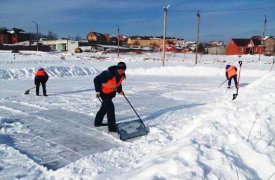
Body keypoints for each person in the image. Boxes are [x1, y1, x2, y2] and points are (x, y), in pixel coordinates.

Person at [94, 62, 126, 132]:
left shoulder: (122, 75)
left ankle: (97, 122)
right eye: (120, 69)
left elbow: (118, 83)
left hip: (110, 93)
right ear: (117, 69)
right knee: (110, 108)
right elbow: (96, 80)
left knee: (105, 108)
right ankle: (112, 127)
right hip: (103, 93)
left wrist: (119, 90)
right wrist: (97, 91)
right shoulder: (108, 73)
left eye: (124, 69)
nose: (122, 71)